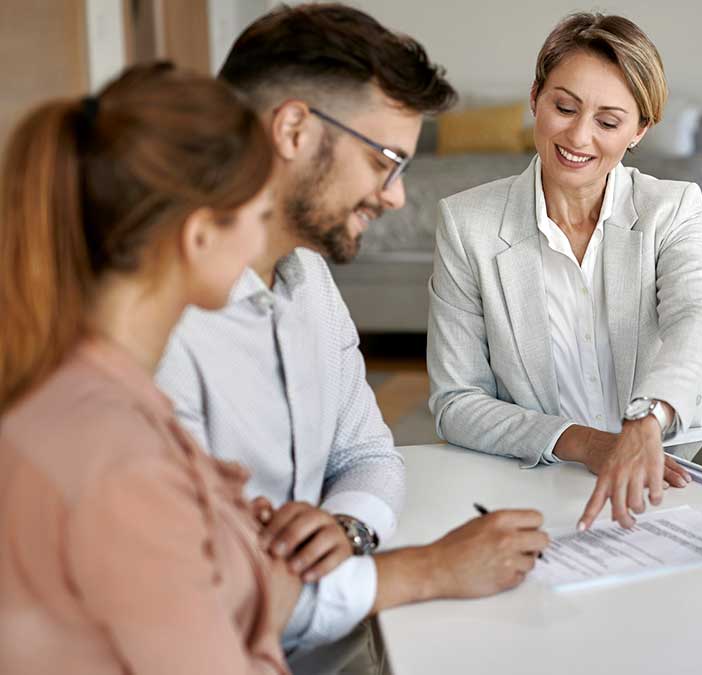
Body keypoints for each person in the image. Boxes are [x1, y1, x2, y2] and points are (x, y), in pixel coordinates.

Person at [154, 5, 548, 674]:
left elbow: (368, 452)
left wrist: (346, 528)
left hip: (345, 642)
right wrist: (427, 569)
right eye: (384, 159)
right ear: (295, 128)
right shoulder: (161, 327)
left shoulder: (308, 279)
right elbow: (192, 600)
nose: (396, 196)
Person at [0, 63, 295, 673]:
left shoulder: (82, 390)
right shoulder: (119, 458)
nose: (268, 243)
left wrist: (226, 530)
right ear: (199, 237)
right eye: (261, 218)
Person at [427, 12, 702, 532]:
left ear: (640, 129)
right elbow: (456, 402)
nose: (579, 137)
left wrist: (646, 423)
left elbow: (696, 320)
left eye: (608, 122)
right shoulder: (466, 223)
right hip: (537, 481)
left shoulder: (671, 208)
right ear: (536, 97)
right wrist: (586, 442)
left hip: (673, 473)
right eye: (564, 107)